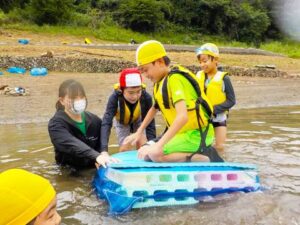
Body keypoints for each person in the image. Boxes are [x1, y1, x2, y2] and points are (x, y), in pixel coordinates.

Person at [124, 40, 223, 162]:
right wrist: (139, 132)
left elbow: (183, 117)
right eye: (142, 71)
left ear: (160, 62)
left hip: (197, 135)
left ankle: (204, 157)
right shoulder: (159, 82)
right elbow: (154, 108)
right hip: (183, 134)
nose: (145, 75)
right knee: (147, 149)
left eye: (145, 70)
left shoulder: (175, 79)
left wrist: (158, 146)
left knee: (153, 154)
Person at [48, 79, 118, 170]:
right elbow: (71, 144)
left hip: (93, 168)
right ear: (62, 101)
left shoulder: (94, 121)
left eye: (81, 97)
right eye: (73, 98)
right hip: (68, 172)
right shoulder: (56, 125)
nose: (78, 101)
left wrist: (103, 153)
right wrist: (96, 156)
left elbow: (102, 140)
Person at [101, 68, 156, 152]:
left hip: (139, 120)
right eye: (130, 93)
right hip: (122, 122)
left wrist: (152, 143)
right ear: (122, 90)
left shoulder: (146, 97)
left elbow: (150, 123)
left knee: (144, 145)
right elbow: (106, 122)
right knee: (125, 147)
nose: (135, 96)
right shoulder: (115, 98)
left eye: (138, 92)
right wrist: (103, 150)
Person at [195, 43, 236, 152]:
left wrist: (213, 110)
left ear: (216, 60)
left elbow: (231, 101)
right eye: (200, 62)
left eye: (205, 61)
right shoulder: (198, 76)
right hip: (202, 117)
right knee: (200, 147)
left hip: (218, 118)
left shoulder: (224, 79)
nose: (202, 65)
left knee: (219, 147)